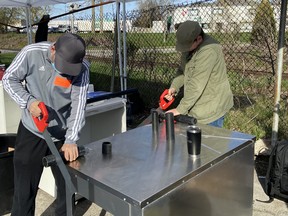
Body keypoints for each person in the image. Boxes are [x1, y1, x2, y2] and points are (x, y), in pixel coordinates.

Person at [2, 33, 90, 216]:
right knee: (24, 189)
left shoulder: (82, 69)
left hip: (62, 135)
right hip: (32, 130)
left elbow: (79, 105)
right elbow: (8, 79)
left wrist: (71, 139)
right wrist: (28, 101)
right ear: (53, 49)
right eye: (62, 66)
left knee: (67, 185)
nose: (64, 72)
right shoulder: (31, 53)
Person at [165, 21, 233, 128]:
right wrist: (174, 86)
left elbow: (197, 84)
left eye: (186, 46)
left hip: (211, 108)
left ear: (199, 39)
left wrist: (180, 109)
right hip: (196, 104)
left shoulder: (209, 51)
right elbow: (183, 70)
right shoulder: (190, 44)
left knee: (208, 143)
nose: (184, 49)